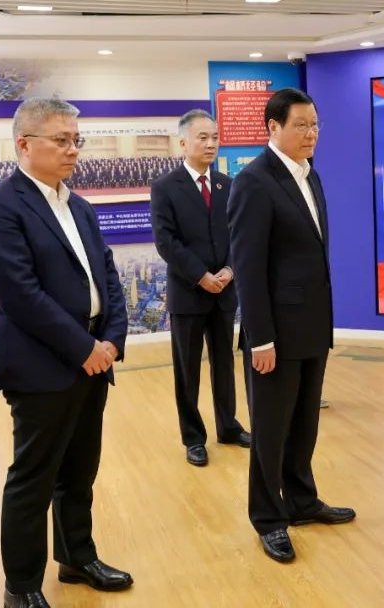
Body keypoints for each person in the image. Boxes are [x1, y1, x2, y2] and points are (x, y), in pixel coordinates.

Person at [0, 97, 132, 608]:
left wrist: (111, 338)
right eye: (60, 140)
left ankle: (77, 557)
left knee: (79, 471)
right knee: (33, 479)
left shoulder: (78, 206)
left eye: (75, 140)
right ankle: (21, 586)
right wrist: (83, 347)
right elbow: (19, 294)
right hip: (41, 365)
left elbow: (107, 275)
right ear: (24, 144)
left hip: (93, 360)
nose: (72, 150)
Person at [228, 87, 355, 564]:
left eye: (315, 124)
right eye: (300, 125)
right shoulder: (254, 182)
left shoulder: (309, 174)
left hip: (312, 325)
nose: (311, 133)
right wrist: (259, 337)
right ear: (273, 127)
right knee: (270, 429)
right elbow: (249, 267)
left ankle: (301, 501)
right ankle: (268, 518)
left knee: (304, 423)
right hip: (274, 335)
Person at [150, 109, 250, 467]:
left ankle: (228, 426)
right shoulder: (165, 187)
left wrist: (229, 270)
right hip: (189, 294)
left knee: (224, 364)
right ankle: (193, 437)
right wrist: (201, 276)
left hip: (224, 292)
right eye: (202, 137)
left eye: (215, 137)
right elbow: (166, 241)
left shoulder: (227, 184)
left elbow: (239, 234)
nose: (211, 144)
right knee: (187, 370)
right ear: (183, 142)